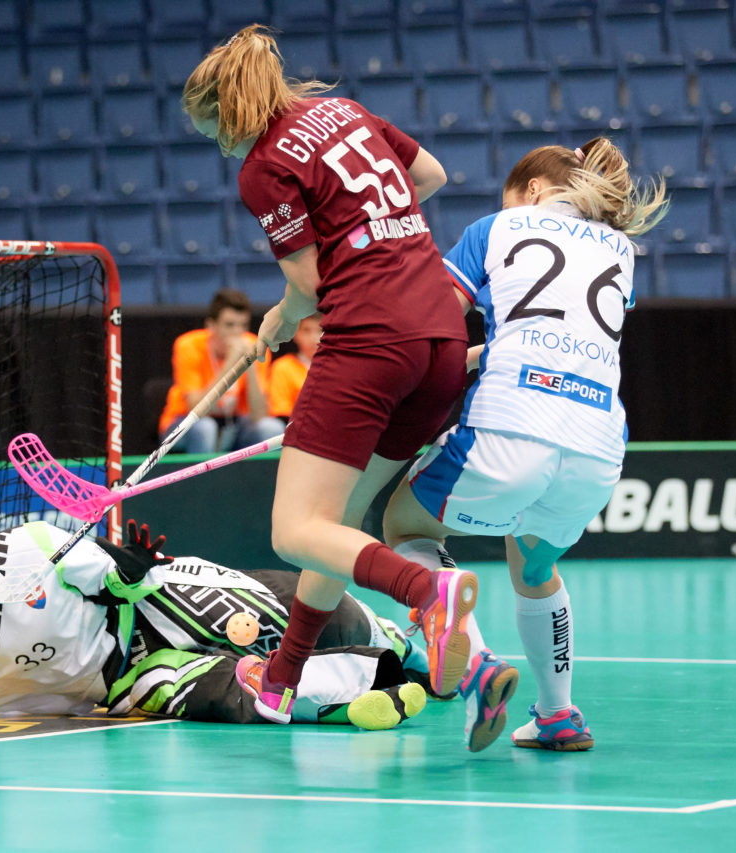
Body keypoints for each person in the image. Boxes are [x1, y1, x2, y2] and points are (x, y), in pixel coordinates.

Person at [180, 25, 474, 725]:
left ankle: (427, 593)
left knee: (293, 528)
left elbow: (308, 283)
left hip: (371, 337)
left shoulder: (262, 166)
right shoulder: (346, 113)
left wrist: (280, 320)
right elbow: (429, 175)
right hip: (441, 334)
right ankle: (281, 680)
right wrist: (374, 234)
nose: (220, 145)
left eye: (213, 130)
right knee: (337, 522)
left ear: (231, 111)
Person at [382, 138, 669, 752]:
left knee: (404, 527)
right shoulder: (621, 249)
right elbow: (558, 326)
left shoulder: (498, 227)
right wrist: (490, 350)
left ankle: (478, 662)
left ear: (533, 191)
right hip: (597, 445)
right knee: (534, 564)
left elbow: (433, 326)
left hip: (514, 422)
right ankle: (559, 715)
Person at [0, 489, 431, 731]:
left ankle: (406, 646)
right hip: (123, 684)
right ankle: (369, 682)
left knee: (256, 609)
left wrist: (131, 564)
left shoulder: (33, 541)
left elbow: (120, 583)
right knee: (227, 694)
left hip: (147, 611)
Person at [157, 287, 284, 454]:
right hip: (186, 422)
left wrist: (249, 363)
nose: (237, 332)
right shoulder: (188, 345)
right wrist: (231, 362)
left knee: (272, 428)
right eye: (229, 325)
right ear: (211, 325)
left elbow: (260, 414)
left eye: (243, 325)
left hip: (235, 424)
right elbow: (195, 408)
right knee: (205, 428)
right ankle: (204, 481)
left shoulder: (256, 346)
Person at [266, 312, 322, 421]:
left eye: (320, 330)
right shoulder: (282, 367)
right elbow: (281, 412)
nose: (314, 337)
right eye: (306, 330)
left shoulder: (339, 366)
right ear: (295, 334)